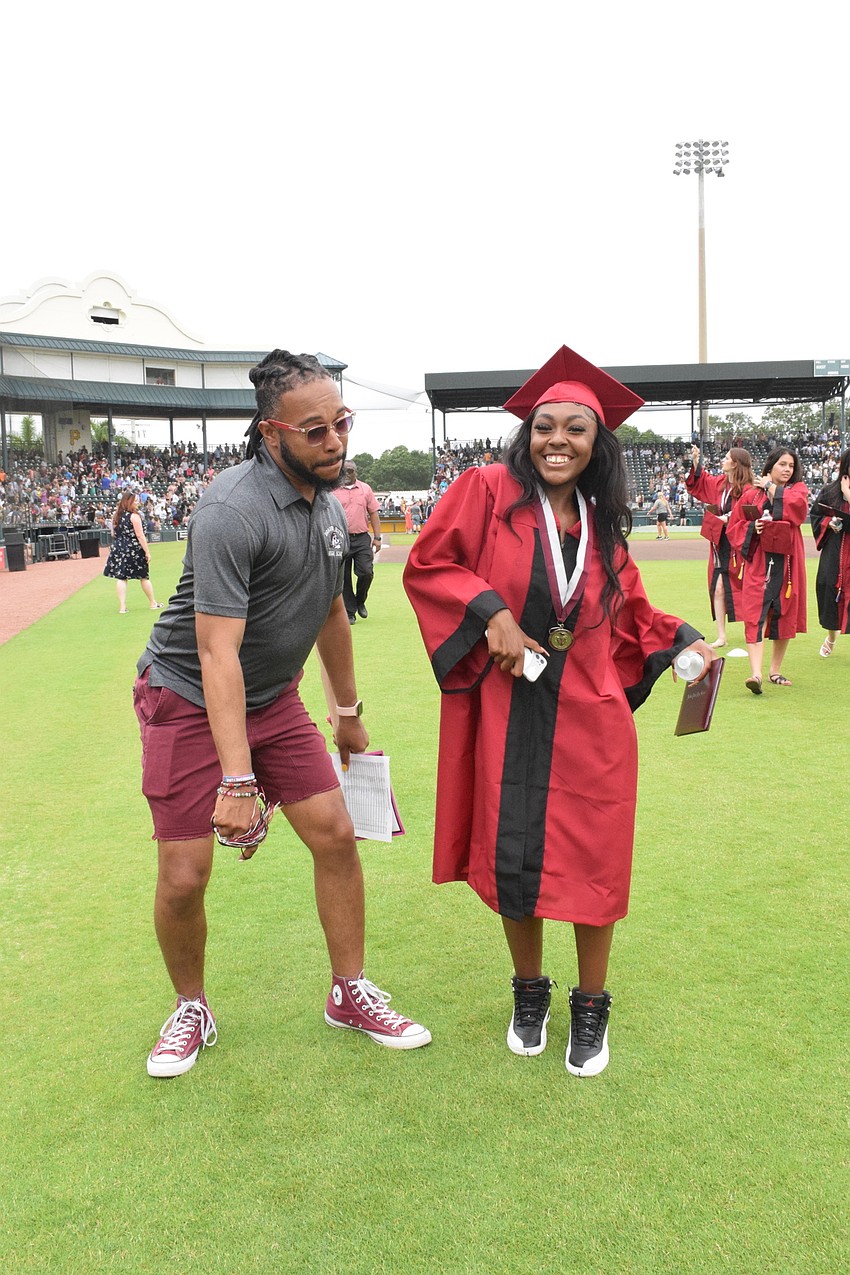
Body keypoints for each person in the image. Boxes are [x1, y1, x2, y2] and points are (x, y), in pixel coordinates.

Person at [403, 345, 714, 1077]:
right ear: (527, 433)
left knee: (594, 863)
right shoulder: (485, 491)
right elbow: (430, 563)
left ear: (597, 443)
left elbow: (631, 609)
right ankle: (528, 991)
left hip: (590, 719)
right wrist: (490, 615)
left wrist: (687, 642)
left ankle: (592, 1004)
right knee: (516, 856)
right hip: (511, 710)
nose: (558, 440)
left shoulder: (603, 523)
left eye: (577, 429)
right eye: (546, 426)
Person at [135, 350, 430, 1078]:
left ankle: (349, 989)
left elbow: (330, 610)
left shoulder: (329, 506)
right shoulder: (232, 508)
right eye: (315, 430)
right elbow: (214, 653)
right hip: (185, 697)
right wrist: (238, 780)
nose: (335, 440)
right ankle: (190, 1006)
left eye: (341, 424)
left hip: (271, 696)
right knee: (184, 873)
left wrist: (347, 711)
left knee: (334, 833)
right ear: (272, 433)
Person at [727, 445, 808, 693]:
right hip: (760, 563)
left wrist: (773, 489)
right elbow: (734, 526)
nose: (787, 469)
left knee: (784, 614)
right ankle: (756, 674)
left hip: (788, 565)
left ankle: (774, 670)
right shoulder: (752, 495)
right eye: (782, 464)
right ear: (770, 466)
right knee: (754, 614)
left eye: (791, 466)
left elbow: (798, 510)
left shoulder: (798, 489)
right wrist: (753, 528)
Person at [685, 444, 755, 647]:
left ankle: (753, 629)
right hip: (719, 543)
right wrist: (696, 461)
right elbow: (701, 482)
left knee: (746, 587)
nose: (723, 460)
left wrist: (730, 517)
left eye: (726, 457)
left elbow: (750, 510)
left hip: (739, 545)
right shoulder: (720, 485)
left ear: (736, 464)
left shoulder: (749, 489)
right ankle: (722, 636)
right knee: (717, 588)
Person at [810, 447, 850, 657]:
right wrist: (829, 523)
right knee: (829, 591)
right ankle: (831, 637)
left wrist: (849, 496)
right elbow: (816, 515)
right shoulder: (830, 491)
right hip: (835, 551)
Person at [333, 461, 382, 623]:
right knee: (343, 577)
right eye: (343, 471)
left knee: (366, 572)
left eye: (349, 471)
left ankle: (360, 601)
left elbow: (373, 513)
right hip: (341, 537)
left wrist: (377, 537)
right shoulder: (333, 489)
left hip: (361, 537)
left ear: (356, 472)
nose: (346, 475)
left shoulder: (365, 489)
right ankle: (350, 611)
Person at [102, 490, 162, 613]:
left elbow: (113, 533)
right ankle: (152, 603)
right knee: (144, 576)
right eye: (135, 501)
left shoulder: (116, 516)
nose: (137, 503)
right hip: (134, 548)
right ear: (129, 502)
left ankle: (122, 607)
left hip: (119, 548)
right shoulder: (134, 516)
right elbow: (140, 535)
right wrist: (147, 552)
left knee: (122, 578)